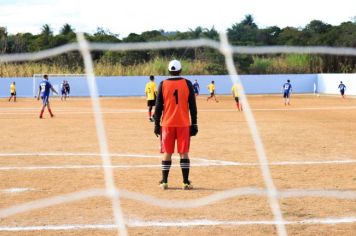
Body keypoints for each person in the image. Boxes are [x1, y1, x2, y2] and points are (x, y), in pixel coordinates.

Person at [154, 59, 198, 190]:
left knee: (167, 152)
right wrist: (194, 123)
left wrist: (156, 124)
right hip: (183, 123)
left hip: (167, 124)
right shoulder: (187, 83)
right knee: (184, 153)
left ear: (169, 71)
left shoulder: (163, 84)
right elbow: (192, 106)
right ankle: (185, 182)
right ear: (180, 70)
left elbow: (158, 107)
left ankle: (164, 182)